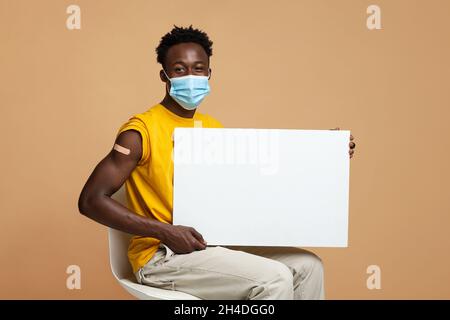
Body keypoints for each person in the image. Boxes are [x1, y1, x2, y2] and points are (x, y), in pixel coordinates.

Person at [78, 25, 356, 300]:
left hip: (210, 246)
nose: (191, 76)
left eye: (198, 69)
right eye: (179, 69)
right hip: (162, 256)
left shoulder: (214, 130)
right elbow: (90, 200)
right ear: (164, 75)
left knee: (309, 267)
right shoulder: (140, 131)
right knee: (275, 278)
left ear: (209, 74)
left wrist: (324, 153)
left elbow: (257, 183)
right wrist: (166, 231)